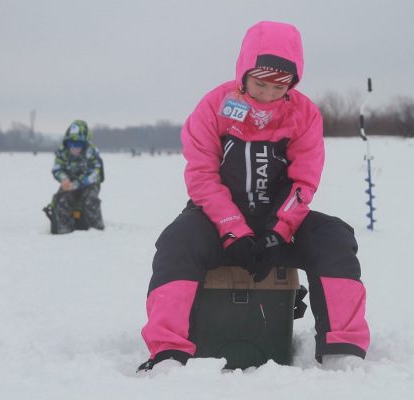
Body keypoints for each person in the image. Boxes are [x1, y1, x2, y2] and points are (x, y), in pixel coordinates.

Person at [139, 21, 369, 373]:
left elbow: (303, 181)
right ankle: (168, 352)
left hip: (280, 223)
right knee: (176, 242)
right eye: (260, 84)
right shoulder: (214, 107)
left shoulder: (304, 114)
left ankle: (342, 347)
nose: (267, 94)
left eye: (279, 87)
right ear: (243, 74)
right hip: (216, 220)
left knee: (334, 236)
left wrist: (279, 232)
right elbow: (202, 176)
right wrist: (234, 229)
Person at [50, 120, 105, 234]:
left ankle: (96, 228)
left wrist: (78, 184)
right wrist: (64, 179)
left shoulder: (91, 151)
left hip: (89, 184)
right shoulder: (63, 152)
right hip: (68, 183)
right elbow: (57, 168)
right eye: (71, 144)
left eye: (78, 144)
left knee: (90, 199)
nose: (74, 147)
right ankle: (63, 228)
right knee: (62, 199)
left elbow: (96, 173)